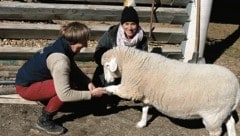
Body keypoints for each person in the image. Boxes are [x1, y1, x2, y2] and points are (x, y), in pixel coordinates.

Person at [15, 22, 107, 135]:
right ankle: (44, 120)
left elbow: (73, 67)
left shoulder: (63, 45)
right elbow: (65, 94)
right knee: (65, 88)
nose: (86, 45)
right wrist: (91, 95)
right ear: (75, 41)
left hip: (31, 80)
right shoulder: (60, 61)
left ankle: (45, 97)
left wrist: (87, 82)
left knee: (69, 83)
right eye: (84, 41)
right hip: (26, 87)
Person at [92, 6, 148, 107]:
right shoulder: (111, 34)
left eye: (133, 24)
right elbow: (97, 53)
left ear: (137, 24)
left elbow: (144, 61)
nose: (130, 28)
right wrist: (109, 60)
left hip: (130, 72)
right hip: (112, 70)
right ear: (122, 24)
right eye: (126, 24)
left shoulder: (142, 39)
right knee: (106, 98)